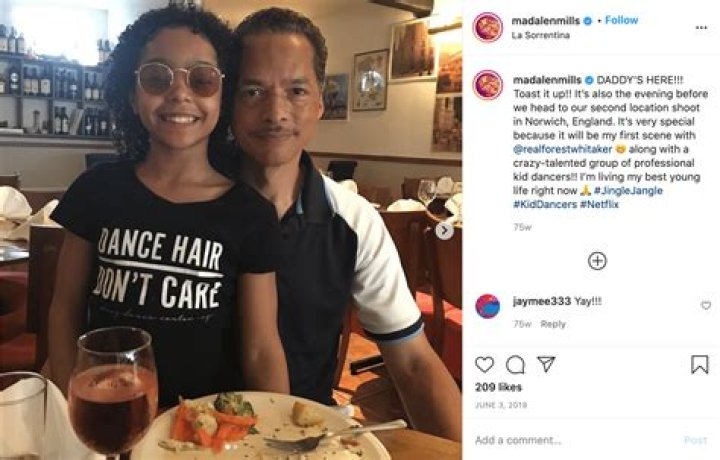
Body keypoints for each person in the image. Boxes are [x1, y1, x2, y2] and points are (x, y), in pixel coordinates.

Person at [228, 7, 461, 441]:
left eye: (296, 90)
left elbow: (413, 362)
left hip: (304, 438)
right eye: (253, 91)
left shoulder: (354, 220)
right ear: (229, 102)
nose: (275, 112)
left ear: (320, 103)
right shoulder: (188, 202)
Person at [47, 4, 289, 408]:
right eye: (157, 78)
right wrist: (68, 404)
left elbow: (261, 349)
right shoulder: (96, 190)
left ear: (223, 96)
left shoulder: (250, 214)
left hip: (203, 425)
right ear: (132, 93)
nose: (179, 93)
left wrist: (278, 427)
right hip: (110, 412)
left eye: (202, 80)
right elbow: (64, 309)